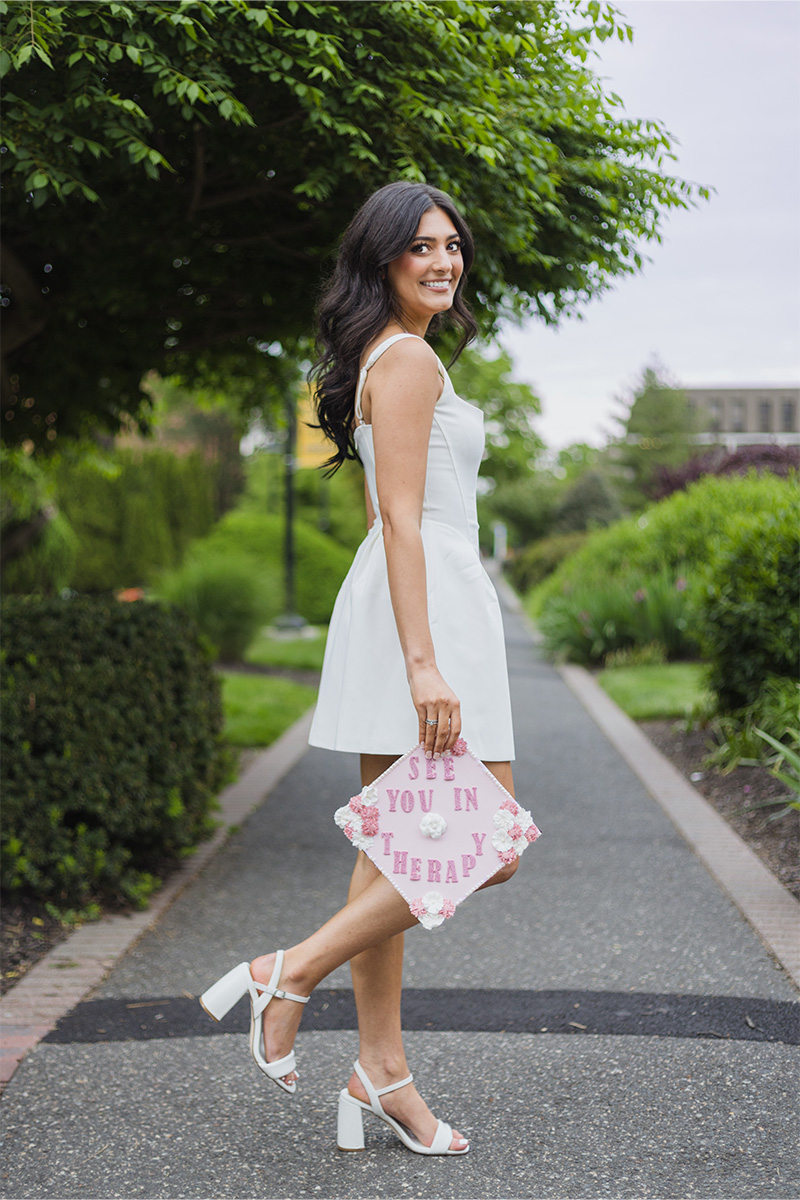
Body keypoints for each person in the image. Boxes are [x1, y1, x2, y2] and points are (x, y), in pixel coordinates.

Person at [201, 181, 518, 1157]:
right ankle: (283, 970)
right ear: (379, 261)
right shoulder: (410, 359)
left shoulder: (385, 355)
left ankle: (380, 1071)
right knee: (489, 843)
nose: (442, 261)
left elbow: (393, 518)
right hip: (427, 617)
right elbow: (402, 518)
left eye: (451, 245)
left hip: (396, 602)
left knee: (395, 852)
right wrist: (426, 663)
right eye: (418, 247)